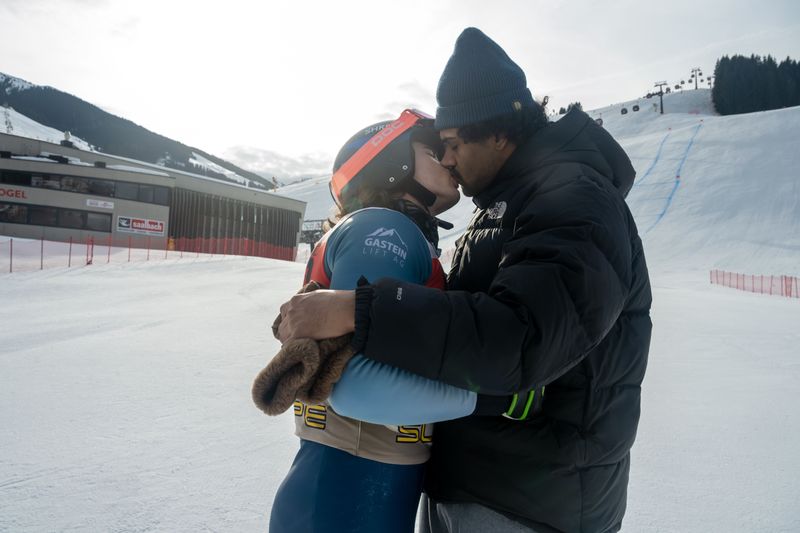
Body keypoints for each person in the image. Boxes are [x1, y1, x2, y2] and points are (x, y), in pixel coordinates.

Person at [277, 28, 652, 533]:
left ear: (498, 132)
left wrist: (359, 309)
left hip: (531, 498)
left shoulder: (573, 200)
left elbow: (521, 337)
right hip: (476, 481)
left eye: (452, 143)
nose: (448, 158)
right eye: (438, 149)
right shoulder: (504, 208)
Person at [264, 108, 515, 533]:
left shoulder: (390, 233)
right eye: (433, 151)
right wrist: (497, 395)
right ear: (392, 162)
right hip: (347, 497)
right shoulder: (386, 229)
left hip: (347, 493)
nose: (449, 160)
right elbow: (359, 388)